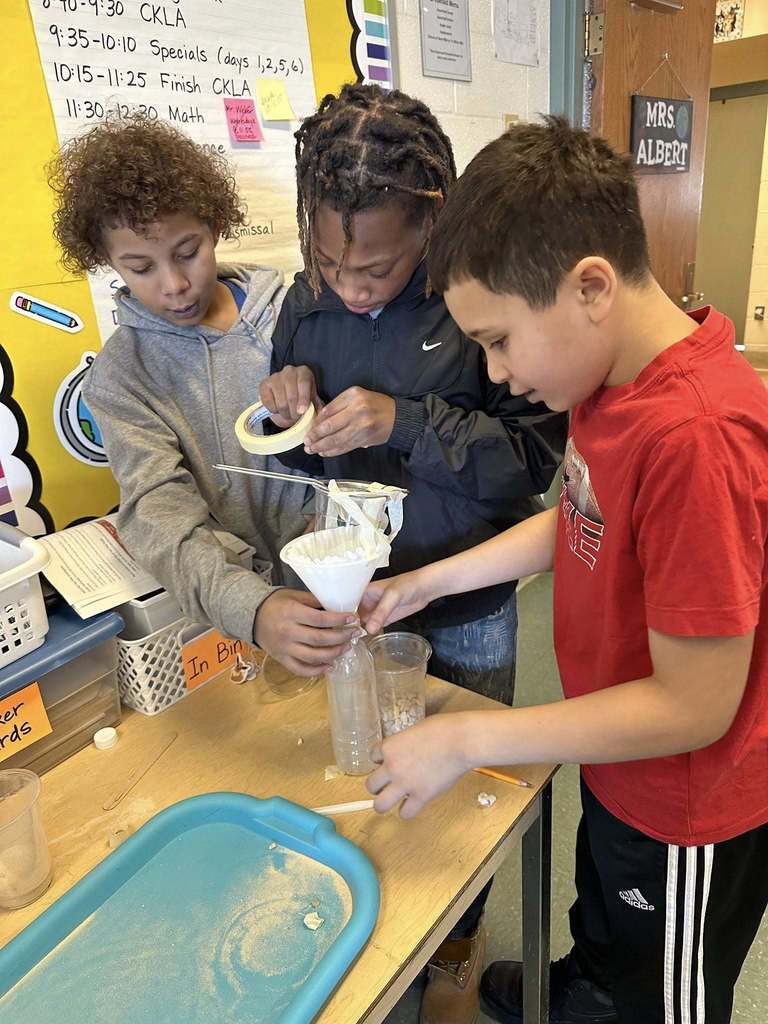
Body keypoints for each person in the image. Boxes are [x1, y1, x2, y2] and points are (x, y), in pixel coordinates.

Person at [360, 116, 768, 1024]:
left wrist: (470, 739)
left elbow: (694, 704)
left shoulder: (696, 435)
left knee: (659, 988)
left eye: (500, 340)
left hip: (686, 798)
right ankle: (587, 985)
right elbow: (577, 520)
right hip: (616, 753)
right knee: (605, 911)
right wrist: (430, 581)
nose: (498, 375)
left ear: (589, 286)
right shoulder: (607, 378)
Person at [258, 84, 567, 1022]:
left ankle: (458, 965)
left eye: (379, 268)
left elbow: (531, 466)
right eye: (331, 261)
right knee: (369, 780)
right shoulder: (309, 299)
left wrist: (411, 422)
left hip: (465, 596)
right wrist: (287, 403)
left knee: (465, 799)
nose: (352, 286)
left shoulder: (483, 296)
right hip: (359, 591)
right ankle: (383, 947)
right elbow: (298, 444)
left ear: (430, 221)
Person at [48, 115, 358, 677]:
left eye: (187, 251)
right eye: (139, 267)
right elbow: (158, 517)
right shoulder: (122, 378)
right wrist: (251, 607)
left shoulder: (293, 312)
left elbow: (360, 434)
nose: (172, 284)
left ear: (214, 226)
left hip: (351, 575)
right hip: (236, 617)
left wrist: (329, 508)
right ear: (108, 262)